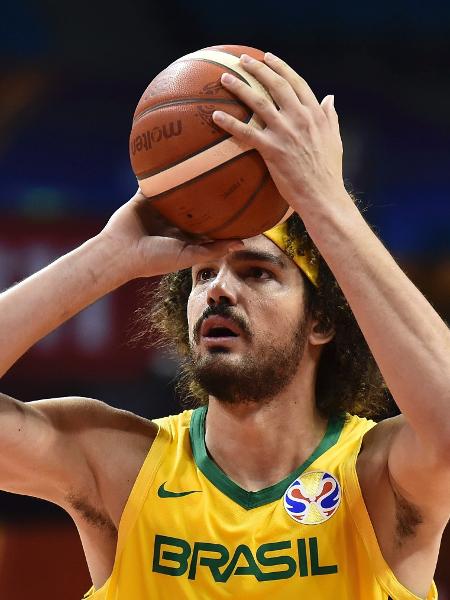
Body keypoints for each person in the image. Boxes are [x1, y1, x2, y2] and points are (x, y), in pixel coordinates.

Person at [0, 52, 448, 600]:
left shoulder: (381, 475)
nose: (217, 290)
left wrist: (325, 199)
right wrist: (107, 256)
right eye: (203, 273)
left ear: (322, 321)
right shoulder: (121, 467)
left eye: (257, 272)